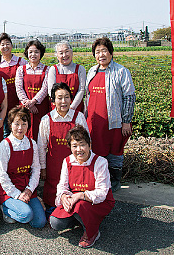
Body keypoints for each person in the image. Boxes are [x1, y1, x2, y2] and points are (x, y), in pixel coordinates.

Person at [50, 125, 115, 248]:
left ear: (89, 145)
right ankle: (83, 219)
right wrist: (63, 196)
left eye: (82, 144)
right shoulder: (67, 161)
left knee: (79, 206)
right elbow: (62, 185)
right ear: (70, 147)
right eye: (74, 146)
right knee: (55, 222)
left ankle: (92, 232)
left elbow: (101, 193)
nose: (79, 149)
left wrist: (80, 195)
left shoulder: (100, 162)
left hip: (98, 202)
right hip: (76, 200)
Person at [85, 37, 135, 192]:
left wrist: (126, 121)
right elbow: (87, 96)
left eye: (104, 51)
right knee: (95, 151)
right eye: (98, 52)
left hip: (114, 121)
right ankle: (99, 179)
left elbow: (129, 97)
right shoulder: (92, 71)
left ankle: (114, 180)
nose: (101, 55)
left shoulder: (121, 71)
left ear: (111, 53)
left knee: (114, 151)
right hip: (94, 121)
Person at [37, 83, 89, 216]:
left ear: (71, 99)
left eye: (66, 97)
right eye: (59, 97)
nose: (63, 101)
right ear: (53, 100)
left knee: (74, 195)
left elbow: (88, 144)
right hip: (53, 165)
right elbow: (41, 147)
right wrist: (43, 167)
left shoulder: (79, 117)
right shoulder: (46, 120)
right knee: (52, 197)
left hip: (75, 166)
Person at [0, 106, 46, 228]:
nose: (20, 128)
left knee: (39, 222)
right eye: (16, 123)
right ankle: (5, 207)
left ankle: (23, 206)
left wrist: (29, 190)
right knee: (26, 215)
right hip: (10, 189)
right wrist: (17, 194)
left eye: (24, 124)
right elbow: (1, 174)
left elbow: (36, 169)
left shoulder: (32, 143)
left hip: (26, 187)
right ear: (10, 124)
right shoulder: (5, 145)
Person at [15, 39, 50, 140]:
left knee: (40, 135)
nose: (33, 54)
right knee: (23, 132)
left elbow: (45, 88)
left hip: (40, 108)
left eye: (36, 52)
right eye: (30, 52)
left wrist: (34, 101)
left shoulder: (47, 69)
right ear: (27, 53)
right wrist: (28, 104)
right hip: (24, 108)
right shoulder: (21, 69)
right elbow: (19, 88)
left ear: (41, 53)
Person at [0, 33, 27, 136]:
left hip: (18, 100)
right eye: (2, 44)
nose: (5, 46)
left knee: (19, 129)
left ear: (12, 46)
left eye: (7, 43)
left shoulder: (21, 61)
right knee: (6, 130)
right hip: (3, 102)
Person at [47, 41, 86, 112]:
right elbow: (51, 90)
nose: (64, 55)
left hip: (76, 107)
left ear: (72, 52)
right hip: (58, 108)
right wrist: (60, 105)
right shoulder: (53, 69)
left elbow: (81, 90)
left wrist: (72, 107)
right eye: (61, 53)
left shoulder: (80, 69)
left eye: (67, 51)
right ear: (57, 55)